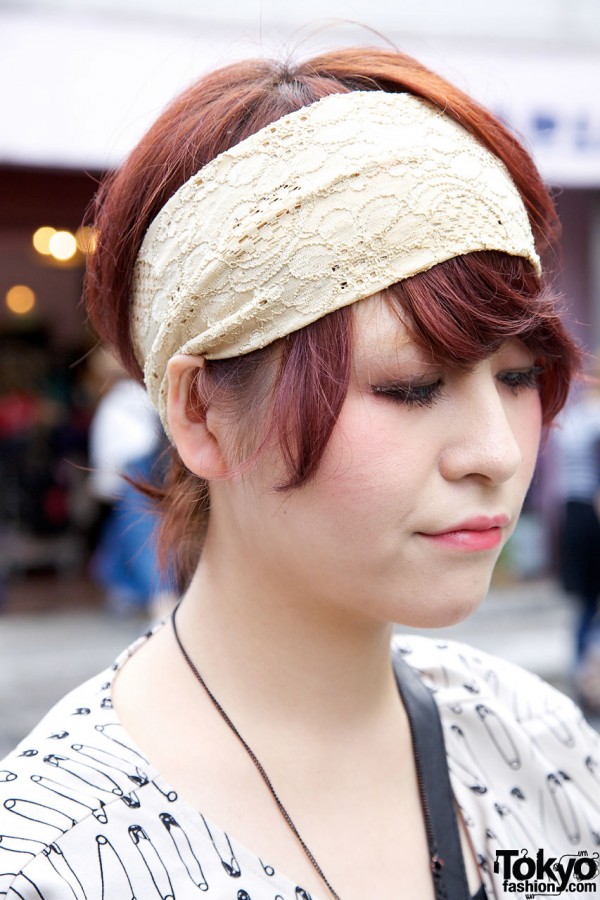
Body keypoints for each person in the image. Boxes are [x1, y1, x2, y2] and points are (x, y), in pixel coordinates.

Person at [0, 45, 598, 900]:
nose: (496, 452)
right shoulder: (57, 863)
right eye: (410, 387)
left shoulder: (537, 748)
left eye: (515, 378)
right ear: (202, 414)